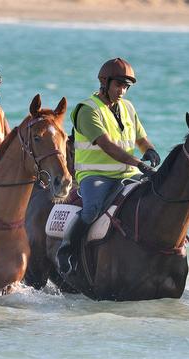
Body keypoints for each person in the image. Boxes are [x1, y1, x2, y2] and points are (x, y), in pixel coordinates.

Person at [56, 57, 160, 275]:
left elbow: (141, 138)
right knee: (91, 210)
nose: (122, 90)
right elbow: (107, 146)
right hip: (95, 175)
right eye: (118, 85)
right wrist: (139, 163)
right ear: (105, 82)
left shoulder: (128, 108)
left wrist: (149, 149)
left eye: (126, 86)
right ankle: (67, 250)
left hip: (128, 173)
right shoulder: (87, 110)